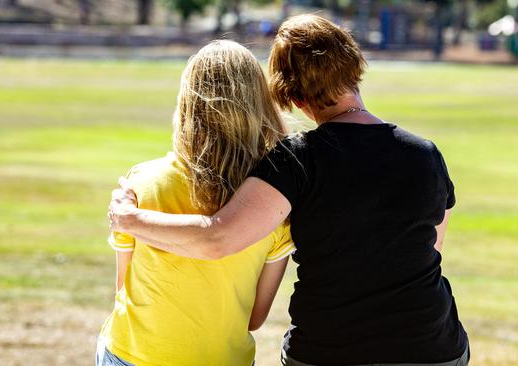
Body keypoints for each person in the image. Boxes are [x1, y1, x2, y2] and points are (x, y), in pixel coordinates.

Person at [109, 15, 469, 366]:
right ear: (355, 68)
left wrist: (130, 218)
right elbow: (427, 250)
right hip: (434, 346)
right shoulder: (426, 155)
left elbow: (218, 239)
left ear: (293, 98)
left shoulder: (296, 159)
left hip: (327, 350)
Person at [97, 40, 296, 366]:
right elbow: (254, 318)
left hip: (132, 356)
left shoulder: (141, 182)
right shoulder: (275, 202)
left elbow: (124, 290)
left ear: (188, 102)